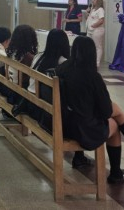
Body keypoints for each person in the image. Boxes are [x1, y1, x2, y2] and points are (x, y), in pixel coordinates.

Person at [56, 36, 124, 184]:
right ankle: (118, 172)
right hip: (82, 130)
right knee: (115, 124)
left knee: (113, 111)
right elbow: (105, 112)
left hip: (64, 124)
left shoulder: (62, 69)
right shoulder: (92, 76)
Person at [24, 29, 92, 169]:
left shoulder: (38, 56)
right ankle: (79, 157)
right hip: (47, 112)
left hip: (33, 104)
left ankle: (80, 156)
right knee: (78, 111)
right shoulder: (63, 63)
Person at [86, 0, 105, 67]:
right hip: (90, 31)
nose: (92, 1)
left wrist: (94, 25)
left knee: (98, 47)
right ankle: (90, 61)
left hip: (97, 30)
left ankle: (97, 63)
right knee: (89, 46)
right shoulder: (93, 9)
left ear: (97, 1)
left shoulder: (100, 10)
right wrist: (87, 12)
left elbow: (101, 20)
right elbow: (87, 18)